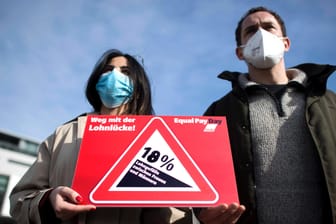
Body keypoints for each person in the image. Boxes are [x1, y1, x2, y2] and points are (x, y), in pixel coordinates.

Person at [9, 49, 192, 224]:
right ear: (96, 83)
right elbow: (19, 202)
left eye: (125, 72)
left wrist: (156, 207)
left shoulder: (158, 141)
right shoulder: (62, 136)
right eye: (108, 70)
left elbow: (181, 211)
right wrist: (49, 201)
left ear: (138, 87)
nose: (115, 76)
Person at [194, 6, 336, 224]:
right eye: (251, 31)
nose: (261, 34)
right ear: (240, 51)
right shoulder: (219, 112)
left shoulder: (329, 102)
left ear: (285, 43)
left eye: (269, 27)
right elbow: (200, 175)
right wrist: (204, 214)